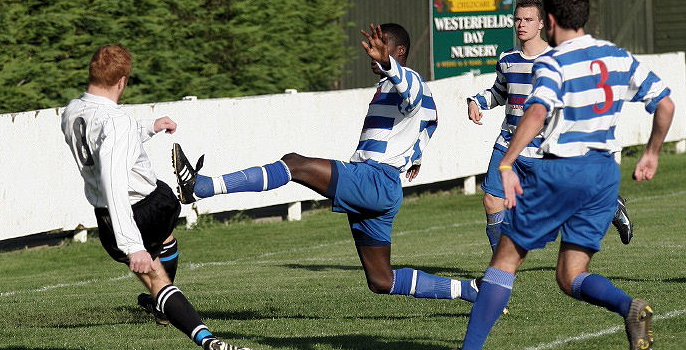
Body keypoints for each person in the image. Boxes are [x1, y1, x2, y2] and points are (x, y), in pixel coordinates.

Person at [426, 0, 674, 350]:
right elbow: (666, 103)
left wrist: (507, 161)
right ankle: (630, 306)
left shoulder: (553, 62)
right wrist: (652, 152)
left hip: (562, 169)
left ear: (551, 20)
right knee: (570, 274)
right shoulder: (617, 55)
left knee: (505, 259)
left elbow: (537, 112)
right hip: (604, 174)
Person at [173, 23, 481, 306]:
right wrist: (415, 157)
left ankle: (202, 186)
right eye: (373, 45)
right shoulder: (390, 88)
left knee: (295, 164)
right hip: (381, 188)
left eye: (382, 45)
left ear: (399, 53)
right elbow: (429, 121)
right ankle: (468, 290)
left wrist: (389, 65)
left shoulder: (410, 79)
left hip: (374, 180)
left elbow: (411, 93)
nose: (373, 50)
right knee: (381, 280)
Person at [61, 44, 262, 350]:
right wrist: (133, 245)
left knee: (161, 264)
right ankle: (209, 342)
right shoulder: (117, 120)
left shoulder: (72, 111)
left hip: (106, 217)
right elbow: (114, 177)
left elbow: (104, 145)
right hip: (141, 208)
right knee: (158, 268)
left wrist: (148, 128)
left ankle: (165, 310)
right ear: (122, 81)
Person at [467, 0, 633, 251]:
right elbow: (500, 93)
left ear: (541, 24)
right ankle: (499, 266)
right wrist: (477, 101)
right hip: (508, 144)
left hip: (546, 149)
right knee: (492, 200)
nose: (521, 25)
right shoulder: (507, 58)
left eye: (528, 20)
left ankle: (611, 206)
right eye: (518, 19)